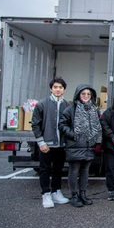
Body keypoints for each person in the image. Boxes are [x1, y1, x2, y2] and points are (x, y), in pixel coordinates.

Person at [59, 84, 102, 207]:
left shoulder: (93, 109)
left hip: (89, 145)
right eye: (83, 94)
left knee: (85, 171)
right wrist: (73, 135)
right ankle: (74, 195)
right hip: (75, 145)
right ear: (78, 94)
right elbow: (62, 125)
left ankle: (83, 194)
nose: (86, 96)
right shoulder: (70, 109)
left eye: (89, 94)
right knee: (74, 171)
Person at [32, 78, 70, 208]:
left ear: (64, 89)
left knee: (58, 169)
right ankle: (46, 194)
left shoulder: (67, 106)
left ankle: (56, 192)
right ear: (51, 89)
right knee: (45, 169)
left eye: (60, 87)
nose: (58, 89)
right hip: (46, 145)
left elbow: (69, 126)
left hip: (61, 145)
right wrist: (41, 142)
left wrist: (67, 143)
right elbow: (36, 125)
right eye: (55, 87)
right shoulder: (42, 104)